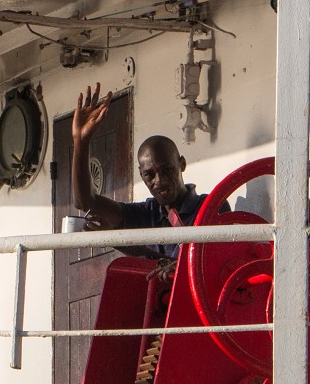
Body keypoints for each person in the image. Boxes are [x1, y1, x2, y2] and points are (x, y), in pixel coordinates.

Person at [70, 84, 220, 263]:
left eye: (167, 170)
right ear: (141, 176)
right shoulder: (145, 214)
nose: (160, 181)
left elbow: (192, 267)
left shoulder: (211, 208)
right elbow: (86, 202)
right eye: (150, 175)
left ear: (182, 164)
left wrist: (118, 242)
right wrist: (81, 142)